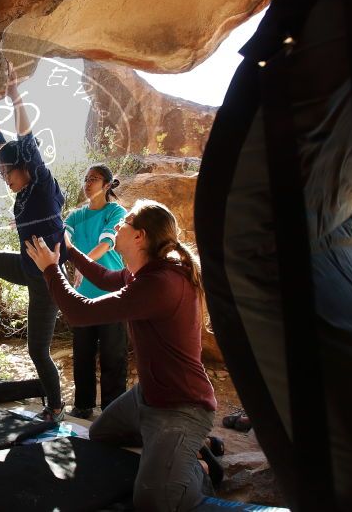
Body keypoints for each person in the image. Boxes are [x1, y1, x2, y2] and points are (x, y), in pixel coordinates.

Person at [25, 199, 219, 510]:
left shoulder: (161, 283)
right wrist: (70, 251)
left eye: (124, 223)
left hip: (182, 406)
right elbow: (103, 278)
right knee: (100, 435)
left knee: (153, 501)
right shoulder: (145, 274)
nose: (117, 226)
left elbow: (78, 311)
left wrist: (50, 269)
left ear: (140, 236)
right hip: (148, 397)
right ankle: (177, 449)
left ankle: (197, 468)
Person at [0, 60, 68, 422]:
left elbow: (23, 140)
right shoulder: (22, 192)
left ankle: (55, 407)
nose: (3, 178)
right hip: (26, 266)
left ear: (25, 167)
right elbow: (3, 148)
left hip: (46, 280)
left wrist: (14, 94)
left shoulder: (40, 183)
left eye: (6, 172)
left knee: (37, 350)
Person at [64, 164, 127, 419]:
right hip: (83, 296)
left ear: (108, 185)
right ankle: (83, 405)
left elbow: (106, 243)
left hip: (113, 293)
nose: (88, 183)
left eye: (95, 179)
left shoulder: (116, 211)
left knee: (114, 354)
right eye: (86, 178)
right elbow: (64, 242)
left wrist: (83, 265)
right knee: (83, 353)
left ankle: (114, 410)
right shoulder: (75, 216)